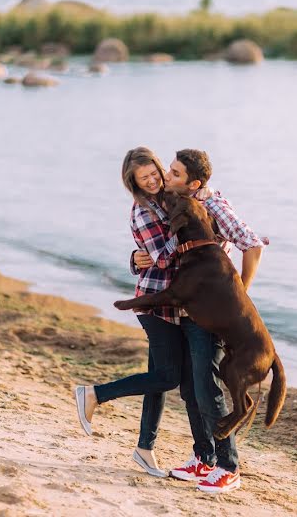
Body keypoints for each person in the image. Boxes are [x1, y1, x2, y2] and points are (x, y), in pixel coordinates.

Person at [133, 149, 267, 494]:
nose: (165, 178)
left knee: (208, 389)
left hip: (212, 313)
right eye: (169, 170)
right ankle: (203, 458)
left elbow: (252, 245)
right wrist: (135, 258)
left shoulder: (214, 206)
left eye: (174, 174)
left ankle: (228, 467)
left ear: (193, 182)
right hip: (187, 310)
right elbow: (158, 244)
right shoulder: (178, 202)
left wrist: (240, 292)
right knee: (191, 389)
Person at [73, 147, 183, 478]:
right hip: (154, 303)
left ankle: (144, 450)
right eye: (144, 178)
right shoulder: (143, 212)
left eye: (155, 173)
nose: (153, 181)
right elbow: (162, 259)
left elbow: (155, 255)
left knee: (158, 380)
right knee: (168, 377)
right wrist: (186, 233)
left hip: (170, 302)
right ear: (133, 183)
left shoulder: (170, 198)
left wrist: (139, 256)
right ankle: (94, 394)